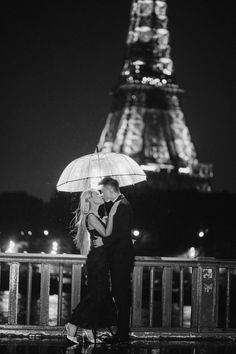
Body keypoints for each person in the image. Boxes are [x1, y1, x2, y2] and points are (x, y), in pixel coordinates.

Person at [64, 189, 119, 344]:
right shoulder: (92, 217)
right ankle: (73, 325)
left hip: (102, 260)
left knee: (100, 295)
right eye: (97, 193)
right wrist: (112, 216)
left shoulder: (97, 216)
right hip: (97, 261)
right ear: (90, 200)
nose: (100, 194)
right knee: (96, 295)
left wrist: (108, 219)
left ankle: (88, 328)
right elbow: (109, 236)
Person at [93, 177, 134, 344]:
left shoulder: (122, 206)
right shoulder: (119, 204)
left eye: (103, 191)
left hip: (121, 258)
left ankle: (123, 334)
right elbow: (118, 230)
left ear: (110, 190)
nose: (102, 195)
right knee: (119, 294)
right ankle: (121, 333)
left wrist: (104, 241)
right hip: (119, 257)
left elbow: (122, 233)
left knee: (121, 295)